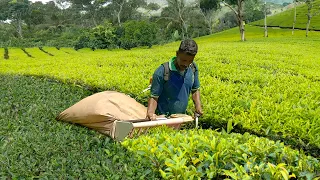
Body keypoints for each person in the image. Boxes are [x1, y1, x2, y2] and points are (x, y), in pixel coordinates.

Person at [146, 39, 203, 121]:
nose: (186, 64)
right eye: (183, 60)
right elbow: (154, 96)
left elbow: (195, 89)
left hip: (181, 118)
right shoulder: (162, 71)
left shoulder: (193, 68)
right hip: (163, 119)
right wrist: (150, 113)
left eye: (190, 61)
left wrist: (198, 107)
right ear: (177, 54)